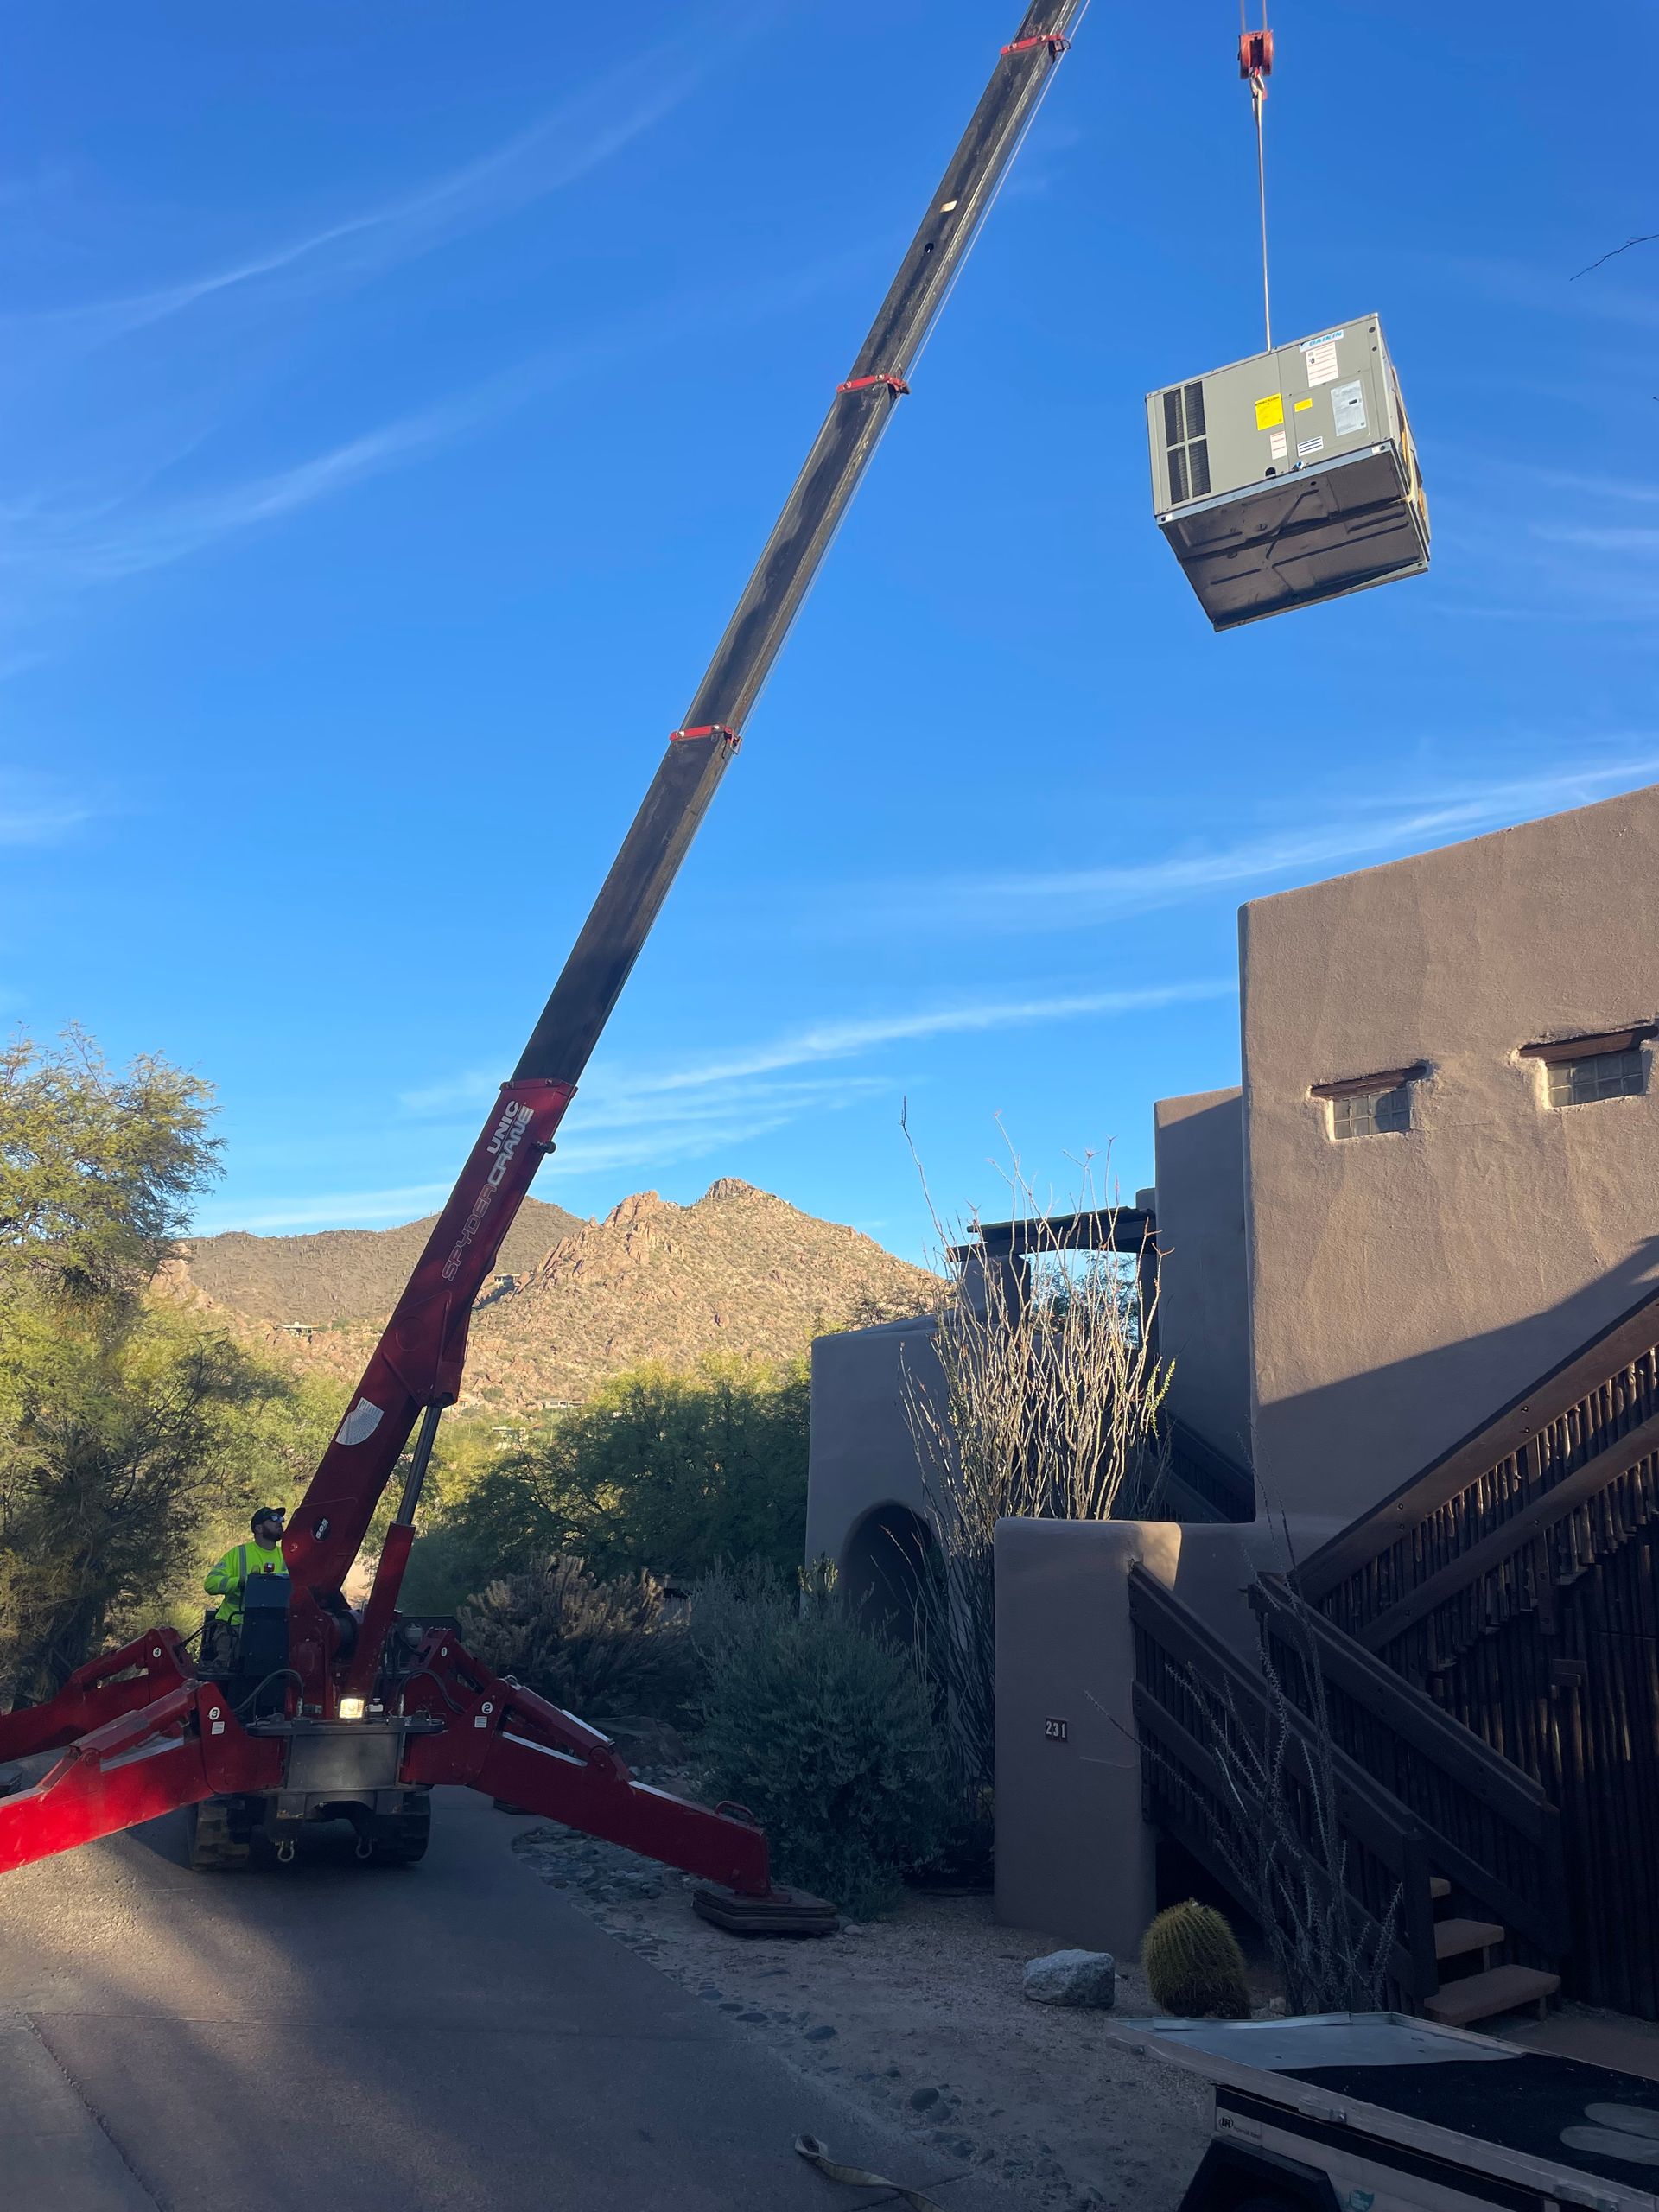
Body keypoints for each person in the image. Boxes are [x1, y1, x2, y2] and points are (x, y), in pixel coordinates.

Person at [205, 1508, 287, 1632]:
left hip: (272, 1628)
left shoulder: (286, 1556)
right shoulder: (238, 1554)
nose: (279, 1522)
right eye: (273, 1519)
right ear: (258, 1528)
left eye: (280, 1519)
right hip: (233, 1626)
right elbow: (210, 1584)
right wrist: (241, 1582)